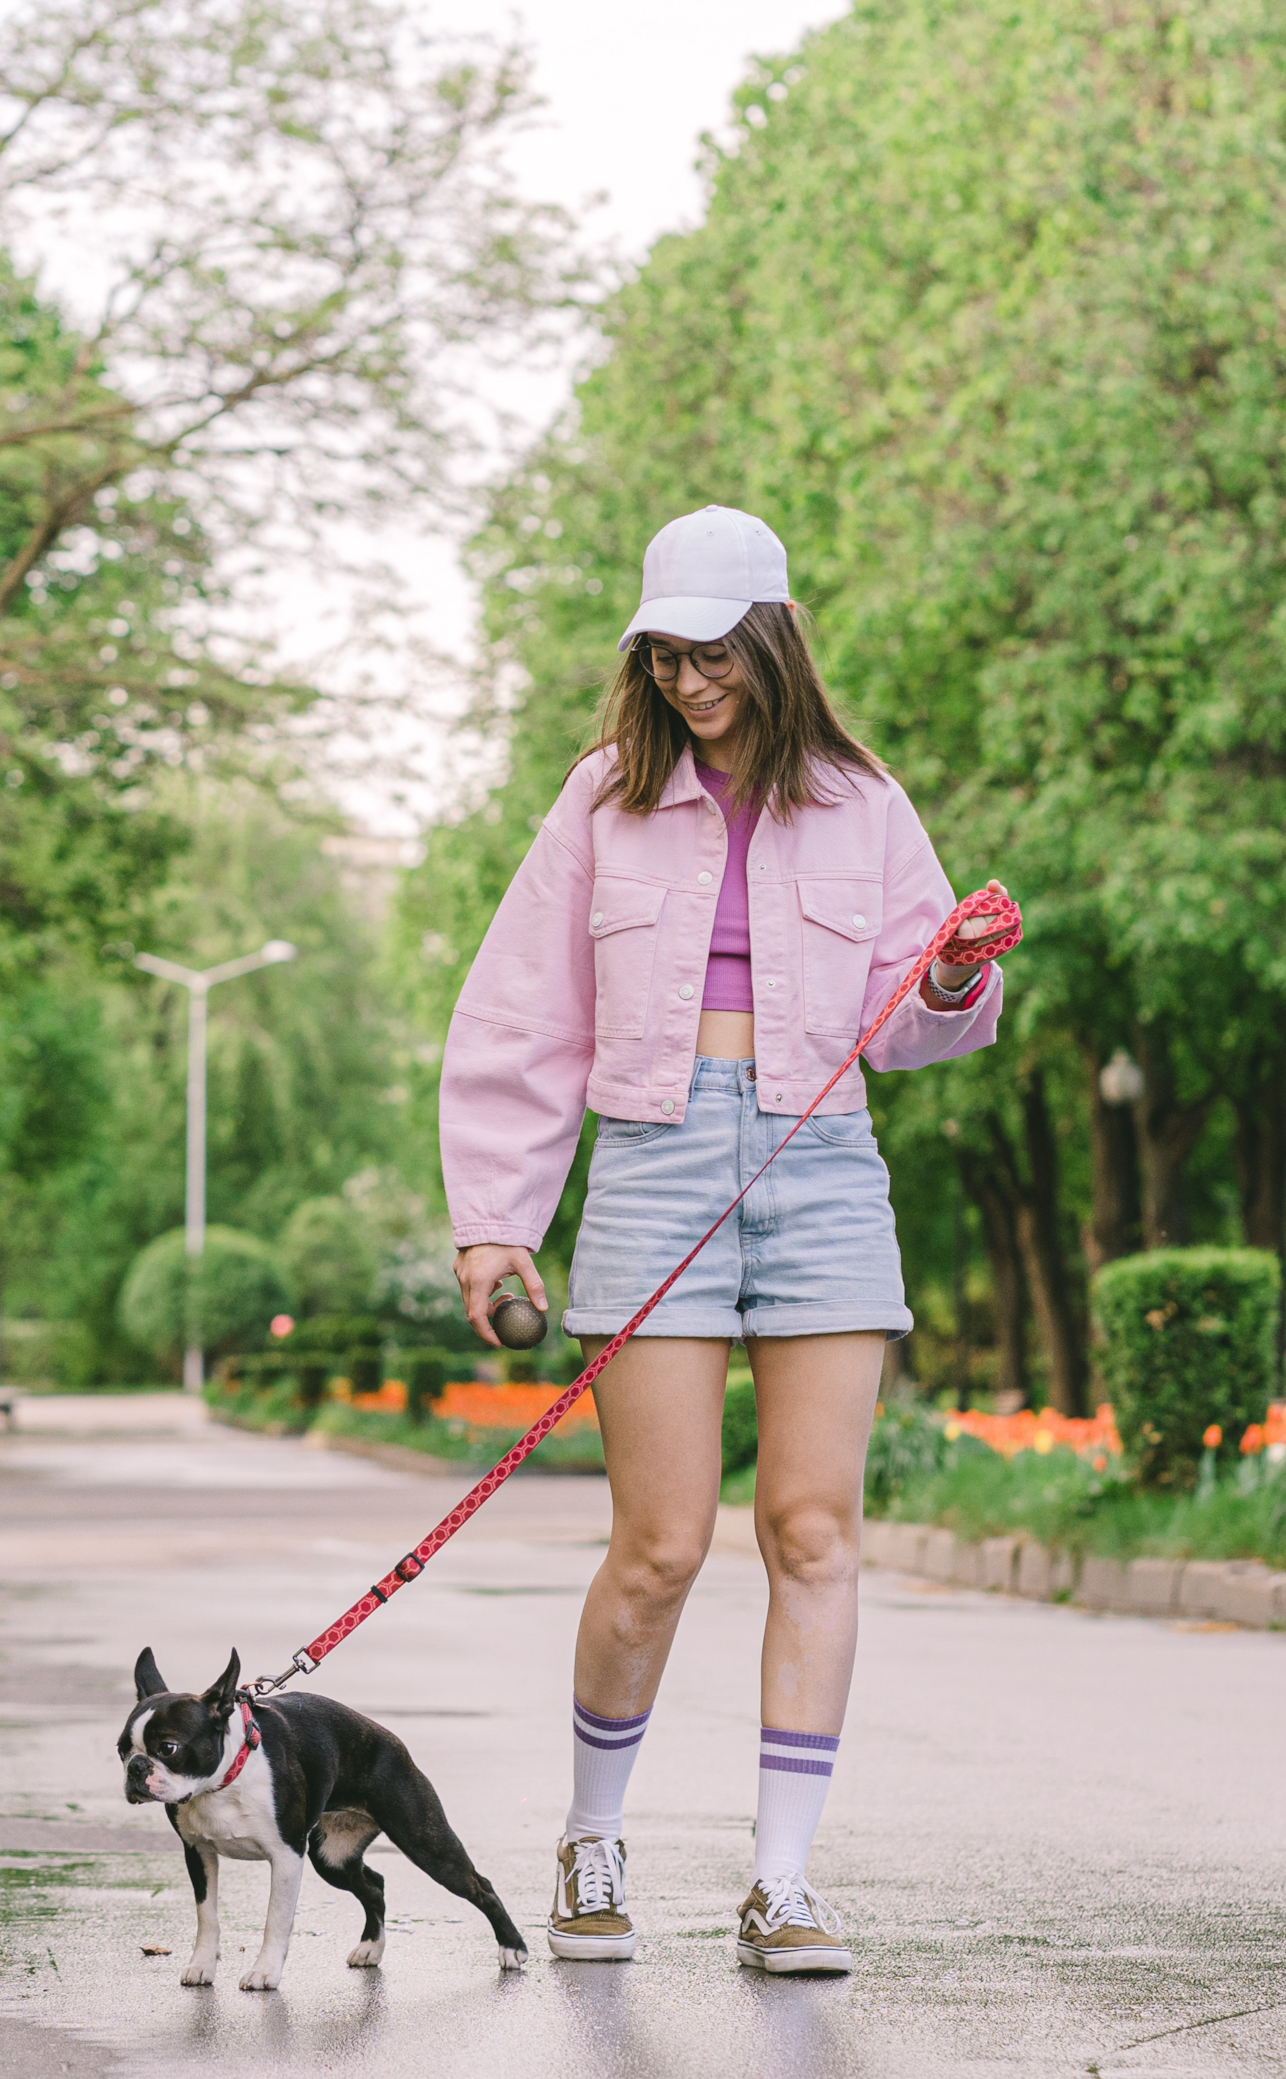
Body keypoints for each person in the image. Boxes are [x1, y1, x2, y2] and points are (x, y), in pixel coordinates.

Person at [438, 505, 1007, 1976]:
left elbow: (919, 1027)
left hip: (822, 1165)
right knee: (661, 1546)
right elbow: (520, 1016)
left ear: (774, 641)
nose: (692, 684)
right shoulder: (604, 804)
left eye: (715, 656)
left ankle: (785, 1880)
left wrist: (948, 971)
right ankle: (591, 1840)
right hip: (654, 1158)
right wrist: (496, 1222)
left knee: (812, 1532)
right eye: (666, 658)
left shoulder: (866, 801)